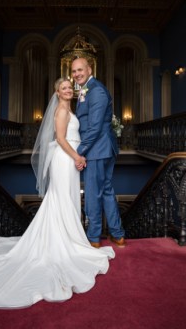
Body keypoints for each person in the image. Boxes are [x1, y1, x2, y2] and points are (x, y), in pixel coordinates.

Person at [0, 78, 114, 309]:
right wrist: (78, 156)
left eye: (70, 87)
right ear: (57, 92)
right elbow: (60, 139)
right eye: (64, 88)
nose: (68, 90)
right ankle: (64, 242)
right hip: (65, 158)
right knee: (61, 199)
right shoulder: (61, 110)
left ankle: (69, 238)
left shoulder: (71, 108)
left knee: (67, 199)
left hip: (70, 159)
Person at [71, 57, 126, 249]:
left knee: (94, 194)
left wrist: (78, 152)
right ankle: (117, 235)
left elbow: (94, 128)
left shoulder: (97, 91)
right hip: (100, 149)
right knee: (106, 191)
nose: (76, 74)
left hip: (97, 150)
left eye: (80, 70)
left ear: (89, 68)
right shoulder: (87, 90)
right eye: (74, 71)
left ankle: (93, 238)